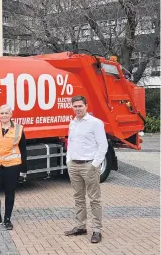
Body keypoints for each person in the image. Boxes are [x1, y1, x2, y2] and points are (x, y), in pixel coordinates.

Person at [64, 95, 108, 243]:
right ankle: (80, 226)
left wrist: (95, 164)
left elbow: (103, 146)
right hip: (74, 165)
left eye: (80, 106)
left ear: (86, 106)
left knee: (94, 199)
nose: (77, 109)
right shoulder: (72, 123)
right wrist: (68, 160)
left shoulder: (95, 123)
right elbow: (70, 143)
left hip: (89, 165)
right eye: (75, 106)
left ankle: (97, 230)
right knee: (78, 198)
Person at [0, 104, 27, 230]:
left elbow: (23, 150)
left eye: (6, 113)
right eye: (2, 113)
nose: (4, 115)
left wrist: (24, 170)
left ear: (11, 114)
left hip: (12, 165)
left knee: (9, 192)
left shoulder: (18, 129)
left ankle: (7, 219)